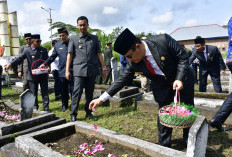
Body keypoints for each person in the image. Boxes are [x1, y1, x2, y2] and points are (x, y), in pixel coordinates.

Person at [89, 28, 194, 147]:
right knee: (164, 113)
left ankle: (188, 138)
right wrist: (101, 99)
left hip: (183, 79)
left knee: (187, 109)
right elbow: (121, 80)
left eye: (129, 56)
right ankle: (164, 144)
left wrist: (179, 78)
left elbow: (183, 57)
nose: (129, 60)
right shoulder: (132, 62)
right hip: (161, 85)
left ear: (138, 46)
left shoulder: (163, 40)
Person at [65, 16, 106, 122]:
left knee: (89, 93)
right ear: (77, 26)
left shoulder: (94, 38)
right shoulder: (73, 39)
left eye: (84, 24)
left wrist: (103, 68)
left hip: (91, 69)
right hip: (79, 70)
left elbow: (99, 53)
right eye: (80, 25)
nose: (82, 27)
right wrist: (67, 70)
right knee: (77, 92)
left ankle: (88, 112)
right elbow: (70, 55)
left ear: (88, 25)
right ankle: (73, 113)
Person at [5, 34, 49, 111]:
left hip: (43, 75)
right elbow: (19, 59)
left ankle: (46, 107)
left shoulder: (44, 50)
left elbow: (48, 60)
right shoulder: (27, 50)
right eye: (37, 41)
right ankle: (35, 107)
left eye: (40, 41)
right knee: (33, 92)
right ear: (32, 42)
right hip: (32, 76)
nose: (39, 43)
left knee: (44, 91)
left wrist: (48, 67)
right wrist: (10, 64)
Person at [40, 27, 74, 112]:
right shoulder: (58, 46)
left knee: (73, 90)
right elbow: (52, 57)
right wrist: (44, 64)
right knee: (63, 90)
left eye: (63, 35)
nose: (61, 37)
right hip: (62, 72)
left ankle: (74, 105)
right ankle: (64, 105)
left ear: (67, 34)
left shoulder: (73, 43)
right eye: (60, 36)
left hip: (74, 70)